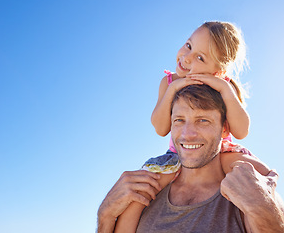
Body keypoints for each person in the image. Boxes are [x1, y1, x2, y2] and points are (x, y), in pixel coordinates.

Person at [113, 21, 270, 232]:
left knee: (254, 173)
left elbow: (241, 131)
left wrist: (224, 88)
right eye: (188, 46)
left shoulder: (225, 84)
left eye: (200, 57)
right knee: (141, 192)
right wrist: (173, 88)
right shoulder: (168, 82)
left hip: (218, 152)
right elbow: (160, 128)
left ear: (219, 69)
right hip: (179, 154)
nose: (186, 58)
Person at [97, 84, 284, 233]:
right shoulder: (145, 191)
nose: (187, 134)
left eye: (203, 120)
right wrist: (105, 216)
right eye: (179, 120)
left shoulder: (250, 191)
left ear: (224, 128)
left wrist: (261, 209)